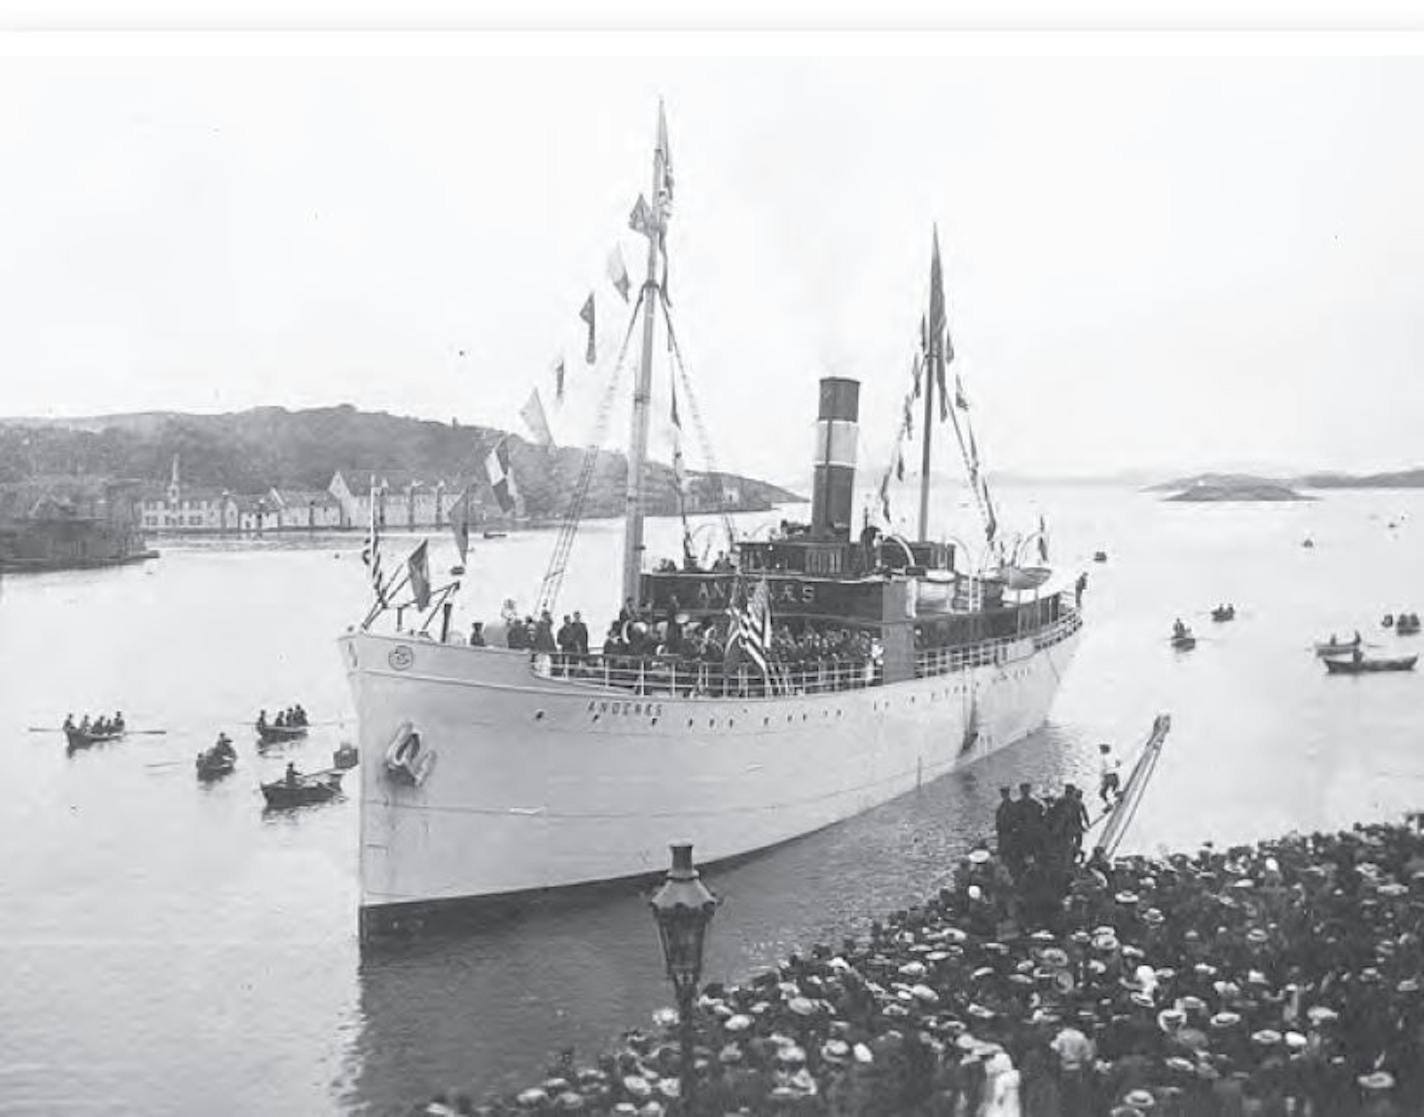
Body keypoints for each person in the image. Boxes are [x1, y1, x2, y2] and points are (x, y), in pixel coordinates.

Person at [1098, 743, 1122, 807]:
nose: (1100, 751)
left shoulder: (1103, 758)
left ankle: (1109, 804)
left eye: (1101, 750)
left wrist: (1102, 779)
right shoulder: (1113, 756)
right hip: (1115, 775)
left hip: (1108, 777)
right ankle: (1118, 798)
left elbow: (1102, 769)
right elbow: (1118, 764)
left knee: (1102, 793)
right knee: (1114, 789)